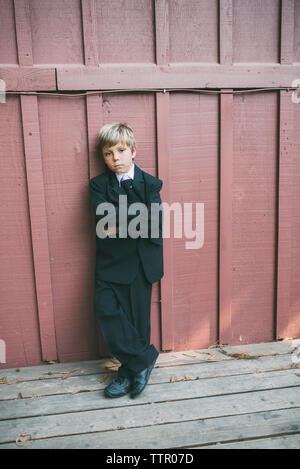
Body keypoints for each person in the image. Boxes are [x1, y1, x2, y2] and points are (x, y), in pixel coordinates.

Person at [89, 122, 164, 399]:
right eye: (108, 153)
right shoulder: (98, 186)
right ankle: (145, 358)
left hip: (141, 262)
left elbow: (154, 223)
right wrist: (135, 221)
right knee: (104, 308)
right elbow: (103, 223)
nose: (115, 158)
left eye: (121, 151)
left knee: (137, 320)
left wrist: (123, 223)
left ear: (133, 151)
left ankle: (128, 372)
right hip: (110, 262)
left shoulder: (150, 183)